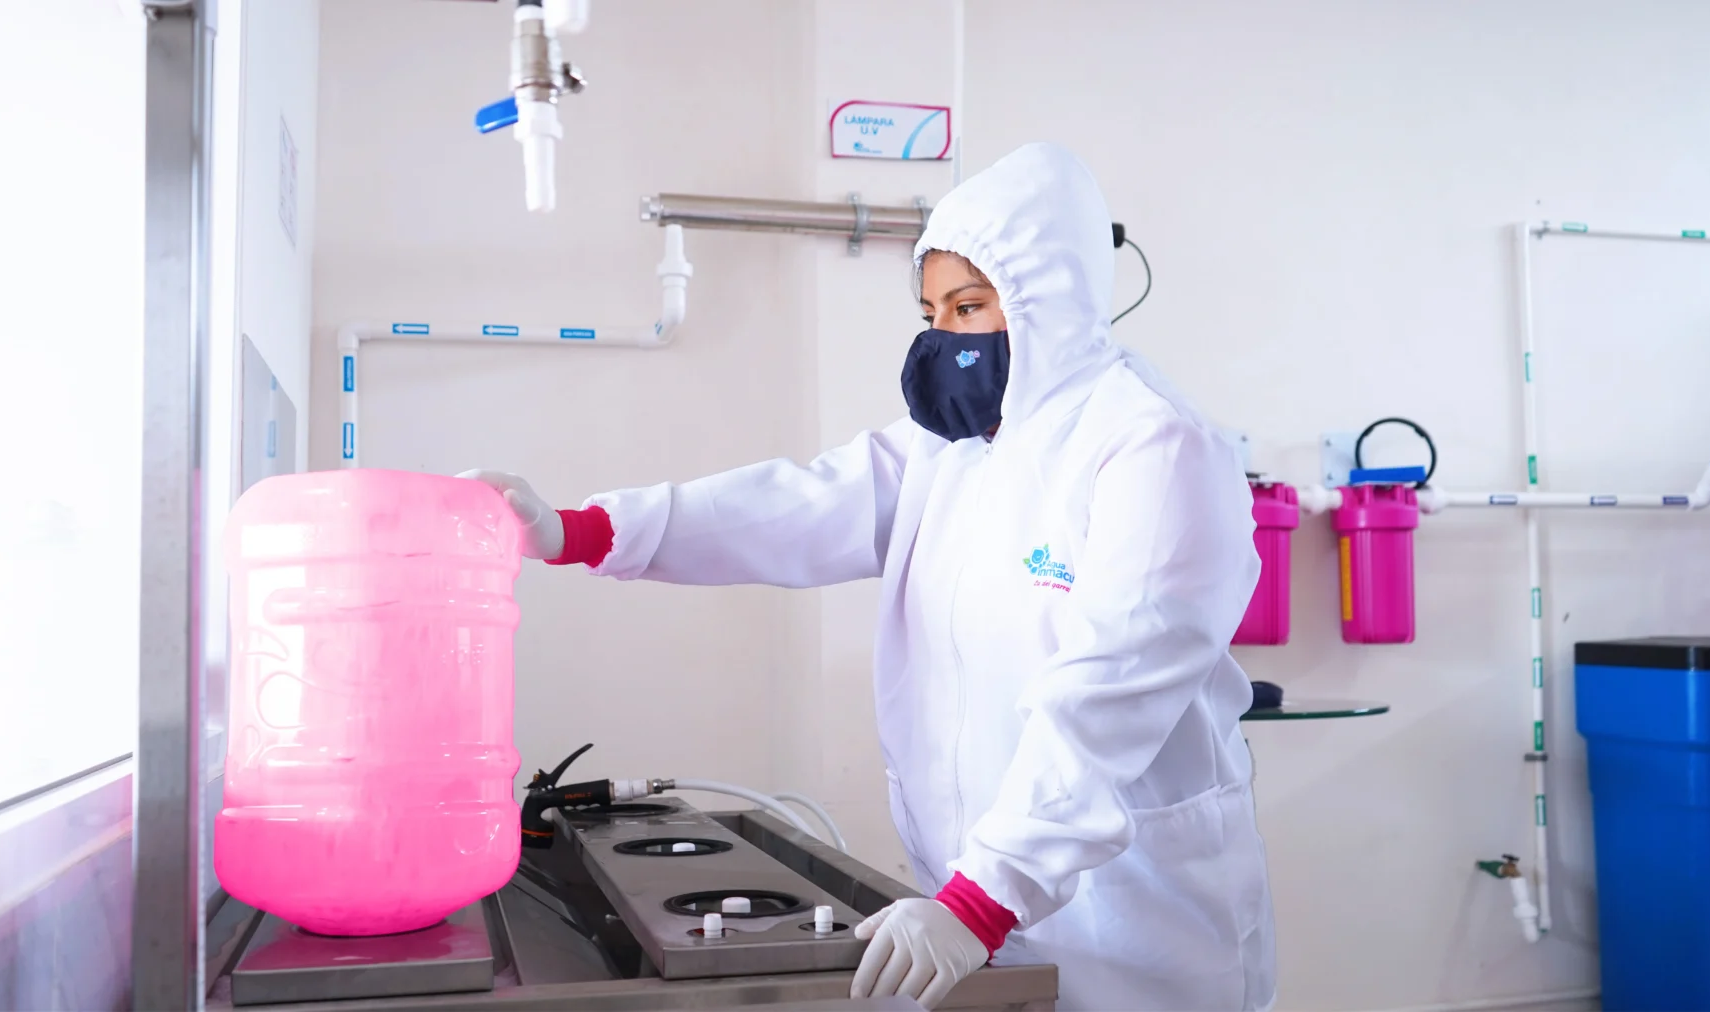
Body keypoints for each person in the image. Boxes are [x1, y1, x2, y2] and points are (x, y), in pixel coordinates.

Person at [463, 142, 1275, 1011]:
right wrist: (583, 531)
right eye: (932, 311)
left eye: (970, 307)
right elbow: (794, 505)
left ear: (1051, 302)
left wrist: (984, 897)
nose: (944, 336)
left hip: (1132, 926)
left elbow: (1107, 700)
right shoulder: (955, 445)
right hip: (975, 908)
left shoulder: (1154, 448)